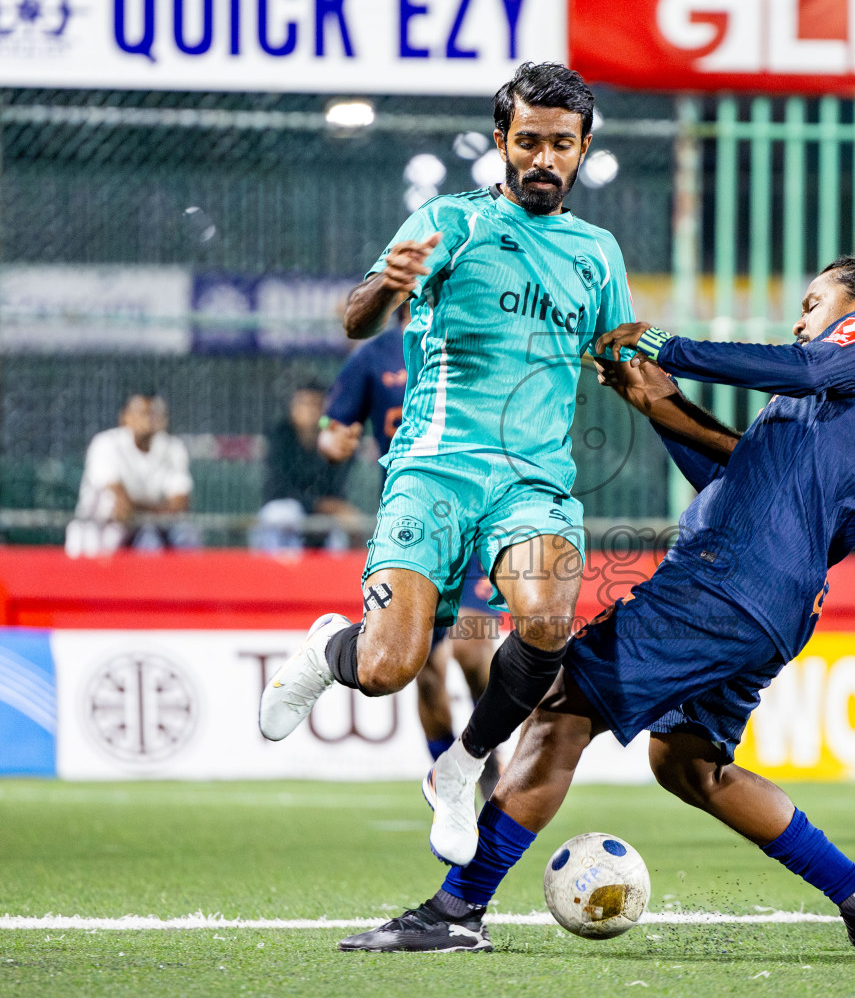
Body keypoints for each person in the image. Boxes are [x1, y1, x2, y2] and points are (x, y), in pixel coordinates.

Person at [338, 254, 855, 953]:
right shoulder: (837, 412)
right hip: (770, 600)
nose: (802, 318)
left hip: (725, 584)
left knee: (561, 709)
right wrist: (654, 399)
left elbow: (798, 366)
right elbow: (732, 476)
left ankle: (457, 909)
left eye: (815, 300)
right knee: (687, 763)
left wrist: (663, 345)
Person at [259, 62, 636, 867]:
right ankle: (335, 648)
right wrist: (388, 287)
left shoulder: (598, 255)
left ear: (582, 148)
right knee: (392, 667)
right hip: (433, 471)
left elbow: (621, 362)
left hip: (533, 482)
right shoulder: (449, 224)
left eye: (559, 145)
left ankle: (461, 767)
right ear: (502, 141)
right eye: (527, 140)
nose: (542, 158)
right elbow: (356, 320)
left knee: (545, 623)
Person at [320, 305, 505, 793]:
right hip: (411, 532)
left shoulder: (471, 338)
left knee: (471, 648)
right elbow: (331, 423)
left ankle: (483, 757)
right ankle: (449, 780)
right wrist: (332, 439)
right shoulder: (375, 356)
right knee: (423, 669)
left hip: (472, 521)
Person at [65, 392, 197, 557]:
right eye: (142, 413)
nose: (148, 420)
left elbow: (180, 506)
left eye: (154, 414)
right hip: (99, 532)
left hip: (147, 529)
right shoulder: (105, 444)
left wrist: (142, 511)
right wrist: (157, 509)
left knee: (183, 533)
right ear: (125, 417)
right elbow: (122, 508)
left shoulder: (173, 447)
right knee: (121, 533)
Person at [252, 381, 356, 554]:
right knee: (281, 514)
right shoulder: (281, 435)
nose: (310, 411)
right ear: (293, 407)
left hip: (321, 518)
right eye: (304, 403)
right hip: (286, 513)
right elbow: (279, 488)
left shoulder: (336, 437)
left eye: (317, 404)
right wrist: (318, 504)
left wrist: (333, 509)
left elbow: (336, 493)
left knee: (342, 527)